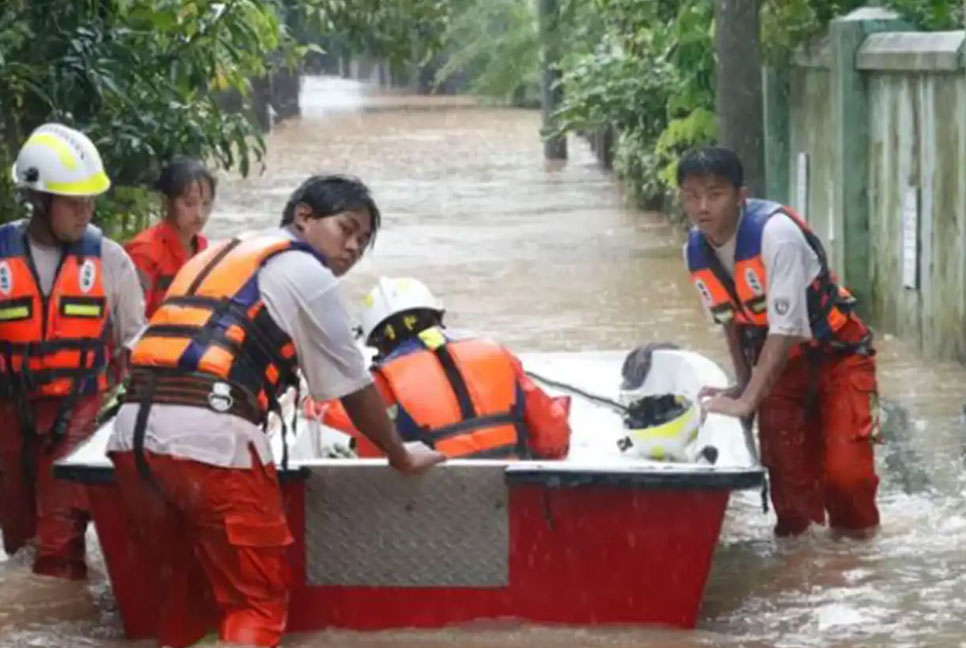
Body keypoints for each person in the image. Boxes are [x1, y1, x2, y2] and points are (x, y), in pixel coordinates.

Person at [106, 174, 445, 648]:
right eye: (346, 229)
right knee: (256, 603)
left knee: (186, 594)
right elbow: (353, 387)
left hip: (131, 441)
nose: (351, 247)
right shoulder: (309, 273)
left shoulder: (216, 254)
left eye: (362, 242)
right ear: (303, 217)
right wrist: (399, 453)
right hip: (212, 443)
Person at [679, 146, 880, 539]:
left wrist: (747, 401)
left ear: (741, 196)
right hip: (780, 369)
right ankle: (801, 584)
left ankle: (860, 568)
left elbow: (786, 328)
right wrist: (741, 381)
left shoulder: (777, 235)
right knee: (791, 507)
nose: (702, 206)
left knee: (848, 481)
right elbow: (730, 320)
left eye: (715, 194)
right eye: (691, 195)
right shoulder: (695, 249)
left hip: (838, 356)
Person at [0, 123, 146, 579]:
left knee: (59, 545)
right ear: (40, 200)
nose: (85, 211)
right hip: (9, 412)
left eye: (90, 200)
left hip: (75, 413)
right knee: (19, 541)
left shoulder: (111, 260)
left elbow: (137, 346)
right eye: (73, 201)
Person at [308, 276, 572, 460]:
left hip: (434, 498)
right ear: (436, 315)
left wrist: (311, 403)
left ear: (378, 339)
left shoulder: (384, 380)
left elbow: (374, 458)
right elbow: (553, 432)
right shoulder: (495, 353)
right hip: (508, 488)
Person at [125, 157, 215, 317]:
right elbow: (132, 318)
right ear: (167, 203)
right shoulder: (144, 252)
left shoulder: (203, 248)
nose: (200, 214)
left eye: (206, 204)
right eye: (189, 204)